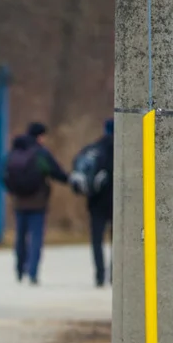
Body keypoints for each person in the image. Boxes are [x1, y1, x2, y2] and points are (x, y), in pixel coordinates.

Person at [2, 122, 69, 285]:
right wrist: (69, 180)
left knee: (20, 236)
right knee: (36, 237)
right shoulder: (41, 154)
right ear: (40, 136)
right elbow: (55, 172)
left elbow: (3, 175)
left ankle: (19, 270)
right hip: (38, 203)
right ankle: (32, 272)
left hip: (19, 201)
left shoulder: (14, 151)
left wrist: (12, 191)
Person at [70, 119, 115, 287]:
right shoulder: (122, 149)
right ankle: (114, 275)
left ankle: (99, 275)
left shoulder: (92, 149)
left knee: (97, 240)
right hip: (116, 203)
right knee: (116, 240)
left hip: (95, 203)